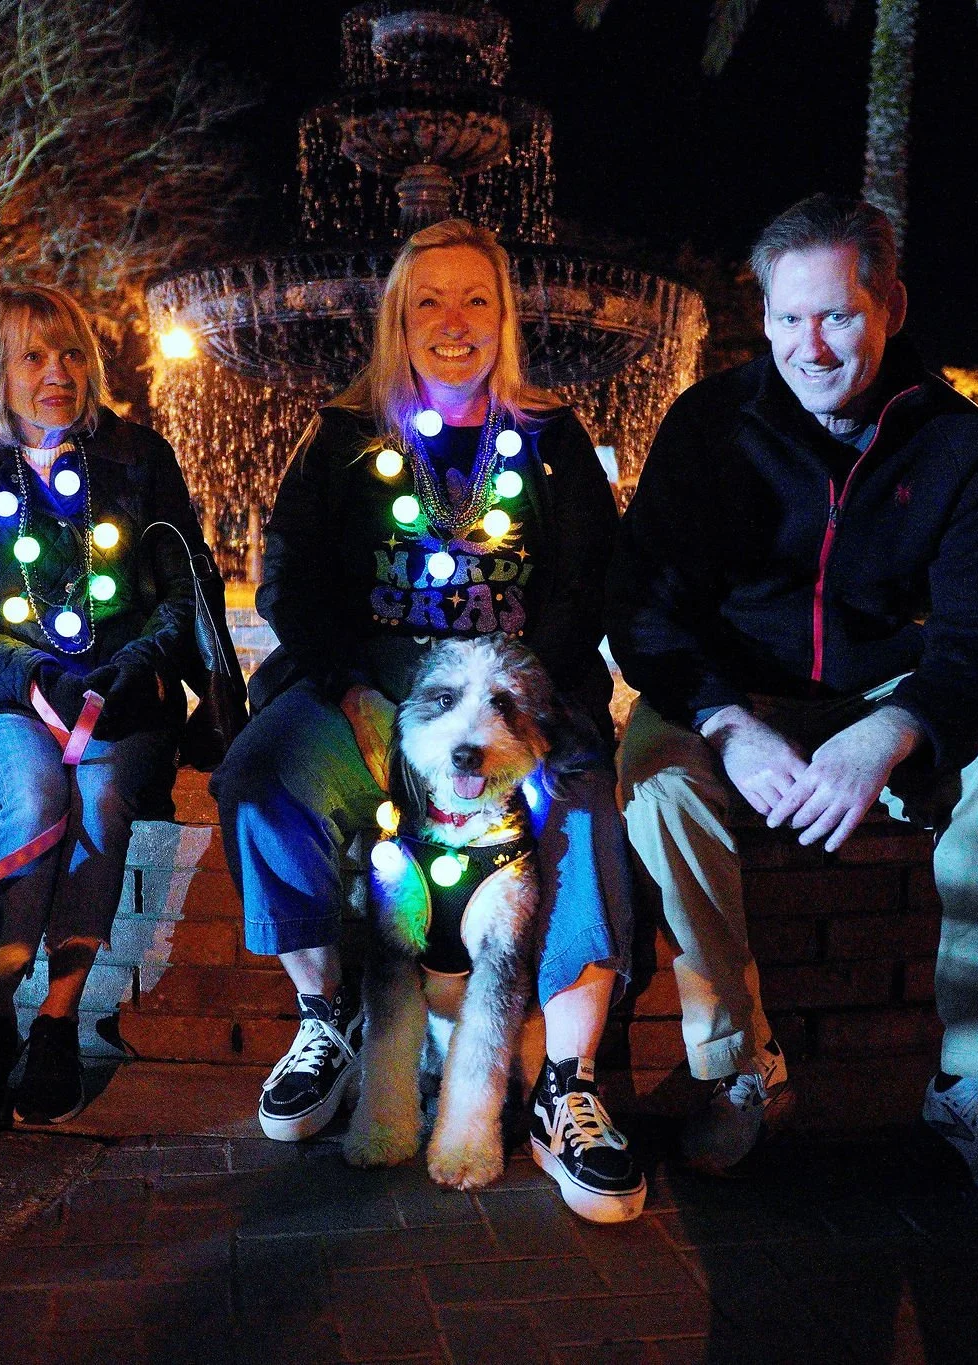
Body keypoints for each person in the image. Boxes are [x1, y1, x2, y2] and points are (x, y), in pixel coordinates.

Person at [609, 193, 978, 1219]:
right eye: (785, 318)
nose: (808, 346)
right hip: (725, 701)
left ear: (888, 304)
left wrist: (897, 725)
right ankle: (740, 1065)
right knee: (653, 787)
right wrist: (723, 721)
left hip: (876, 700)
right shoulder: (706, 427)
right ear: (760, 315)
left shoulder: (948, 440)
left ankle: (971, 1086)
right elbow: (640, 611)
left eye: (837, 316)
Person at [210, 218, 644, 1223]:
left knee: (583, 809)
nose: (452, 324)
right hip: (363, 697)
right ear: (398, 322)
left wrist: (523, 704)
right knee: (259, 782)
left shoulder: (550, 441)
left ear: (504, 318)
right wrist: (353, 687)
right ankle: (327, 1019)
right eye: (428, 303)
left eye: (474, 300)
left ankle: (566, 1084)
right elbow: (287, 581)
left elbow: (592, 589)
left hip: (514, 705)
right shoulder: (342, 438)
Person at [0, 285, 204, 1127]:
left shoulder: (137, 458)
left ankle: (56, 1020)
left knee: (101, 796)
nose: (57, 373)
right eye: (33, 356)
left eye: (71, 353)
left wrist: (133, 665)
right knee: (37, 795)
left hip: (123, 693)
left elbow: (188, 593)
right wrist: (29, 676)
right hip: (8, 695)